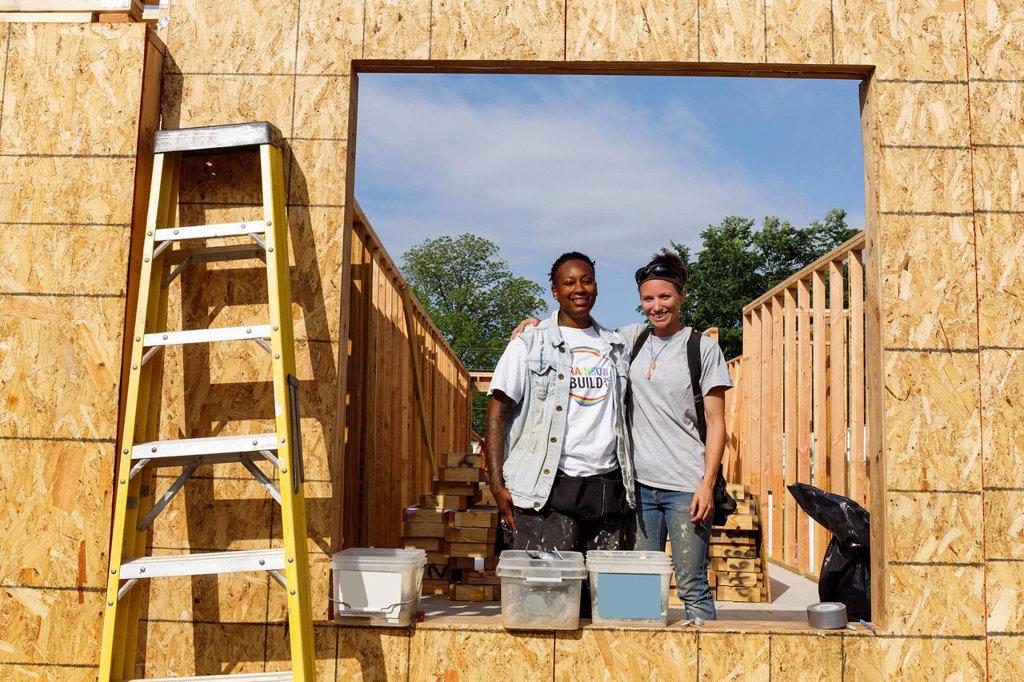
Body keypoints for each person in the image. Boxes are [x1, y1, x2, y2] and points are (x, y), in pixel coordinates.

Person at [511, 252, 731, 621]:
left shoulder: (702, 349)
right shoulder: (629, 340)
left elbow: (718, 422)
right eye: (648, 299)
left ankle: (701, 660)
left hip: (685, 487)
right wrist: (536, 326)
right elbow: (580, 331)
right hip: (638, 489)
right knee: (637, 582)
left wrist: (707, 484)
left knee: (692, 582)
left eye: (665, 297)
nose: (657, 306)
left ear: (681, 295)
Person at [485, 251, 636, 557]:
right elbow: (498, 414)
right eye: (568, 283)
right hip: (547, 490)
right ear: (555, 291)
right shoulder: (528, 344)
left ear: (596, 286)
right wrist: (496, 484)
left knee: (604, 599)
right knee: (545, 596)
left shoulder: (617, 346)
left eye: (587, 281)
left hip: (607, 490)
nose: (579, 289)